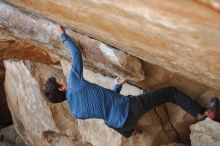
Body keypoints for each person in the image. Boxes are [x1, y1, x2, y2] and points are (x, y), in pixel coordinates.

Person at [44, 26, 219, 138]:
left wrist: (117, 86)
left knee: (110, 119)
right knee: (170, 92)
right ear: (61, 87)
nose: (62, 78)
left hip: (121, 123)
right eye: (60, 80)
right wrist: (62, 35)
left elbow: (104, 104)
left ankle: (132, 132)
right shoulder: (73, 83)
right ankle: (205, 111)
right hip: (129, 108)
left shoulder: (76, 112)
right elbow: (75, 53)